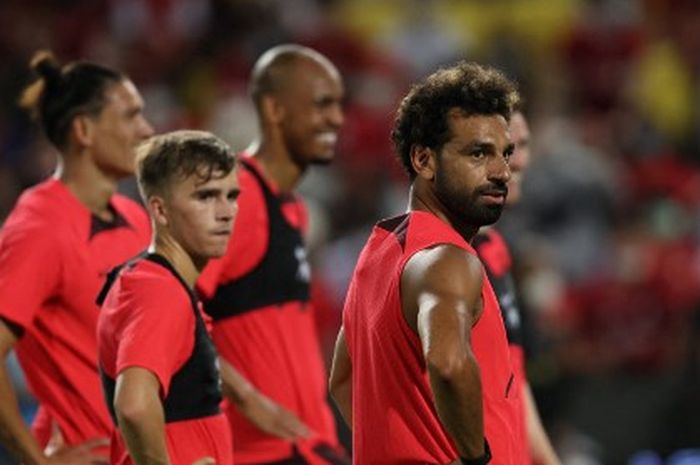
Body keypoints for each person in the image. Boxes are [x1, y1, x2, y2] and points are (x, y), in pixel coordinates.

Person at [329, 61, 521, 465]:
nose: (502, 172)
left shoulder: (378, 255)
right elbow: (448, 362)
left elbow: (342, 381)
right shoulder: (446, 260)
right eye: (478, 153)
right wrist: (473, 459)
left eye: (505, 154)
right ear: (424, 160)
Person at [0, 50, 153, 465]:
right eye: (130, 116)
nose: (146, 129)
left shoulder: (137, 219)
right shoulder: (39, 228)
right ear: (84, 130)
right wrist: (37, 461)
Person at [197, 44, 347, 465]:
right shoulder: (238, 196)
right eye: (322, 104)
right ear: (275, 109)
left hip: (307, 446)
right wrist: (245, 397)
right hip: (256, 452)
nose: (337, 118)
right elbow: (173, 304)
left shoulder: (292, 208)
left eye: (338, 105)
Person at [96, 130, 239, 465]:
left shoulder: (159, 283)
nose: (226, 212)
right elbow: (133, 405)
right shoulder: (158, 289)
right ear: (160, 211)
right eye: (205, 197)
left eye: (231, 195)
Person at [472, 110, 561, 465]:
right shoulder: (438, 256)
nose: (520, 159)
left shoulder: (495, 250)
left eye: (523, 145)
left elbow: (515, 381)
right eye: (507, 149)